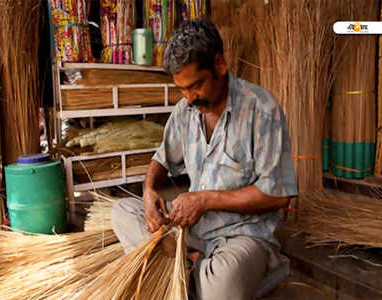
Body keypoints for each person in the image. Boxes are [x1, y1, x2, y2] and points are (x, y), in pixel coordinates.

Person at [111, 18, 297, 300]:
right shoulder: (185, 111)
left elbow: (277, 196)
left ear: (219, 65)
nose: (188, 98)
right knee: (123, 212)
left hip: (242, 236)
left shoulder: (262, 110)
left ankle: (183, 271)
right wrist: (149, 191)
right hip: (193, 230)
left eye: (195, 85)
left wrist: (205, 200)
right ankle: (190, 265)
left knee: (223, 286)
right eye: (182, 89)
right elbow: (162, 159)